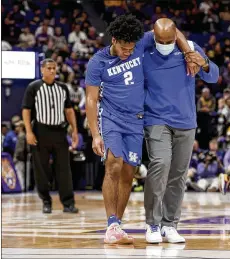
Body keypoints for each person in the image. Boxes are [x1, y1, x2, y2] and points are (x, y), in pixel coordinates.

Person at [85, 14, 199, 245]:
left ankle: (118, 224)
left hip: (137, 119)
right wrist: (95, 134)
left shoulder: (141, 42)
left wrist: (188, 52)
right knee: (113, 164)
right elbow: (91, 99)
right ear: (114, 40)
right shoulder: (98, 62)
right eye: (125, 48)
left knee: (129, 171)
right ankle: (112, 223)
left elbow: (172, 31)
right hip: (112, 118)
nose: (129, 51)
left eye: (132, 48)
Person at [143, 18, 219, 243]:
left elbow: (213, 75)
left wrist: (203, 63)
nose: (164, 44)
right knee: (160, 165)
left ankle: (170, 224)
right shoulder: (145, 51)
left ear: (177, 35)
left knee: (178, 175)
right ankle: (153, 225)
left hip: (186, 121)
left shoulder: (192, 48)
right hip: (156, 119)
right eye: (160, 40)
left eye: (169, 39)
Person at [22, 58, 79, 214]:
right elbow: (26, 110)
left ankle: (68, 203)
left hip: (59, 132)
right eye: (49, 68)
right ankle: (46, 201)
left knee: (64, 169)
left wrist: (74, 130)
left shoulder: (62, 88)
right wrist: (28, 131)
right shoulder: (33, 87)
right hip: (41, 131)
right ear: (42, 70)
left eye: (54, 68)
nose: (52, 71)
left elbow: (69, 111)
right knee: (42, 169)